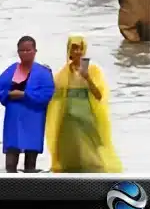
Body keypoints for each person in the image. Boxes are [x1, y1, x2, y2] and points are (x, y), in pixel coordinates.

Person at [45, 35, 122, 173]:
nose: (78, 52)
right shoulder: (63, 73)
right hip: (68, 118)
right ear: (69, 50)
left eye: (81, 48)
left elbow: (99, 95)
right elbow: (54, 97)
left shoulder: (93, 71)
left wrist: (87, 78)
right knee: (69, 149)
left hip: (86, 115)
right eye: (74, 48)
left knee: (92, 149)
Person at [0, 36, 55, 172]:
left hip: (33, 117)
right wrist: (9, 94)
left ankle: (29, 188)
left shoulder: (43, 72)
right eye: (22, 50)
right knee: (11, 161)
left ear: (35, 51)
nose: (25, 53)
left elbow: (47, 93)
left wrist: (25, 95)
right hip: (14, 118)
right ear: (18, 52)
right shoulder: (12, 70)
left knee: (30, 162)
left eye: (29, 50)